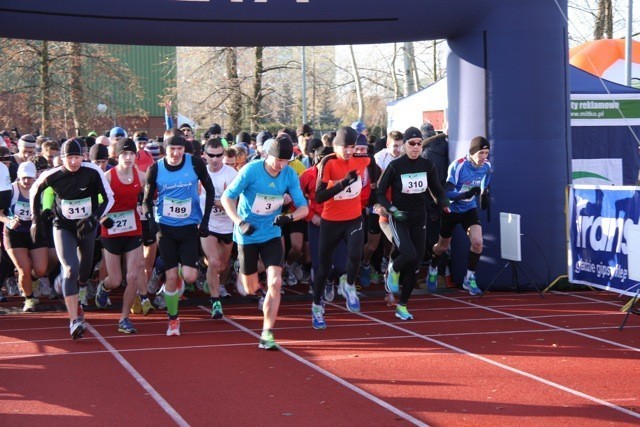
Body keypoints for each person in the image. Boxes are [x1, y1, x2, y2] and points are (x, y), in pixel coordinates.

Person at [221, 135, 308, 350]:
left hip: (271, 233)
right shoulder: (251, 170)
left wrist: (289, 217)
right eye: (276, 160)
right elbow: (227, 197)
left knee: (275, 282)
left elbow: (304, 208)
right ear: (267, 154)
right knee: (250, 289)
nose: (279, 165)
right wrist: (239, 222)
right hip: (247, 233)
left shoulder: (289, 175)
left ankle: (267, 333)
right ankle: (241, 269)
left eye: (284, 161)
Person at [30, 138, 114, 339]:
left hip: (87, 226)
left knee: (83, 272)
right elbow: (35, 191)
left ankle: (77, 284)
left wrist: (95, 218)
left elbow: (109, 197)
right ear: (62, 158)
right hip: (63, 226)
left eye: (77, 157)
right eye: (69, 158)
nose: (74, 162)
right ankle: (74, 320)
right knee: (70, 269)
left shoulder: (93, 171)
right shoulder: (53, 175)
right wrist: (36, 220)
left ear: (83, 157)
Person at [143, 134, 215, 336]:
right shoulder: (155, 169)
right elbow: (146, 200)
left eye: (179, 149)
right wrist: (151, 223)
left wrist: (205, 220)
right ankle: (173, 320)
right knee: (171, 276)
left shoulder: (195, 163)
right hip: (165, 228)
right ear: (165, 149)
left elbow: (209, 190)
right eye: (171, 149)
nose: (175, 154)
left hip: (189, 227)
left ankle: (181, 272)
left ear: (185, 150)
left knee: (190, 277)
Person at [376, 126, 445, 320]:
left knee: (415, 262)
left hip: (419, 217)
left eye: (419, 143)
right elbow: (380, 193)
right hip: (400, 217)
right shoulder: (396, 166)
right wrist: (391, 210)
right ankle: (393, 268)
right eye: (412, 143)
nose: (416, 147)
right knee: (408, 253)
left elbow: (437, 189)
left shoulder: (427, 165)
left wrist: (445, 202)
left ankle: (402, 306)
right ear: (405, 145)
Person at [311, 126, 370, 329]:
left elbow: (379, 171)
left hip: (354, 219)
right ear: (335, 146)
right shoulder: (328, 162)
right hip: (331, 221)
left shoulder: (363, 159)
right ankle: (317, 305)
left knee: (355, 254)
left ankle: (350, 285)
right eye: (343, 147)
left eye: (351, 147)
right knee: (324, 268)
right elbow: (319, 197)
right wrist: (342, 184)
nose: (347, 151)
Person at [94, 138, 152, 334]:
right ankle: (104, 286)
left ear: (136, 156)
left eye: (131, 154)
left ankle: (124, 318)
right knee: (116, 280)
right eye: (124, 154)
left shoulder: (142, 177)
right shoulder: (108, 177)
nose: (128, 158)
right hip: (110, 231)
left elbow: (152, 195)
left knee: (134, 275)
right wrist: (102, 219)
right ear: (117, 156)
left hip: (132, 229)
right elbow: (95, 203)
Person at [427, 136, 492, 296]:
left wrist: (484, 193)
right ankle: (433, 266)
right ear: (473, 152)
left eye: (486, 153)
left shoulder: (487, 166)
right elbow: (446, 193)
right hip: (451, 210)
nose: (484, 157)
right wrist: (465, 194)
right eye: (481, 153)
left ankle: (469, 278)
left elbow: (485, 180)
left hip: (469, 210)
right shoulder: (459, 166)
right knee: (441, 247)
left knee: (477, 242)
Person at [0, 162, 49, 312]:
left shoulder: (40, 189)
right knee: (24, 269)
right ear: (18, 177)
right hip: (14, 234)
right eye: (23, 178)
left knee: (41, 270)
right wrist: (9, 220)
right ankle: (29, 298)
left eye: (30, 178)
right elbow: (0, 213)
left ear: (35, 177)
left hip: (34, 232)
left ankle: (28, 282)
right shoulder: (12, 190)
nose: (27, 181)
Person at [200, 138, 237, 319]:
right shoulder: (199, 173)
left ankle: (208, 274)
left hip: (227, 225)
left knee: (221, 265)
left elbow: (235, 202)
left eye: (218, 155)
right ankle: (215, 302)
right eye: (211, 155)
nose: (215, 159)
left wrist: (217, 202)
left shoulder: (231, 174)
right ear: (204, 155)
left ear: (223, 155)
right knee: (214, 261)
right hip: (207, 224)